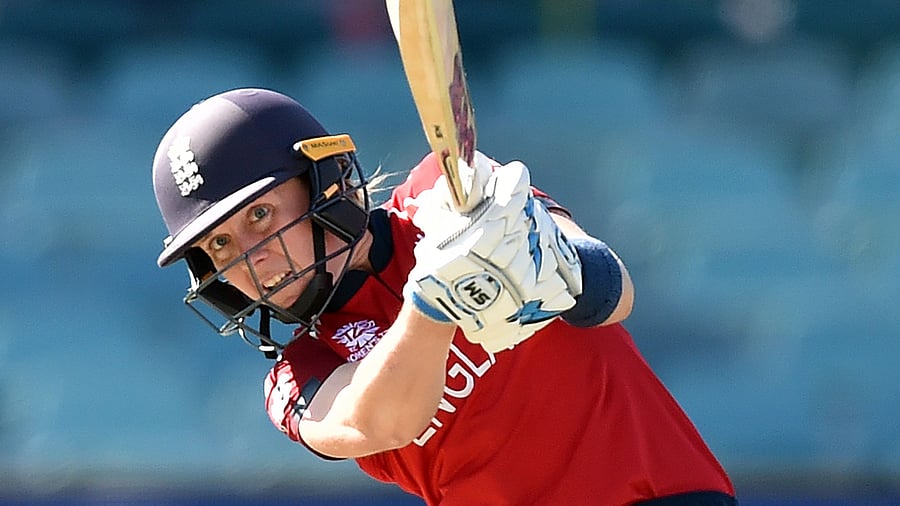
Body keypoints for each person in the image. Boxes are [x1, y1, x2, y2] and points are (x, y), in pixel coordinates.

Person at [152, 88, 737, 505]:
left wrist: (541, 261)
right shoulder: (296, 375)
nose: (250, 257)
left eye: (260, 214)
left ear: (323, 183)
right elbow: (377, 423)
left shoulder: (442, 190)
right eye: (220, 244)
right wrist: (434, 303)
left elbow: (614, 291)